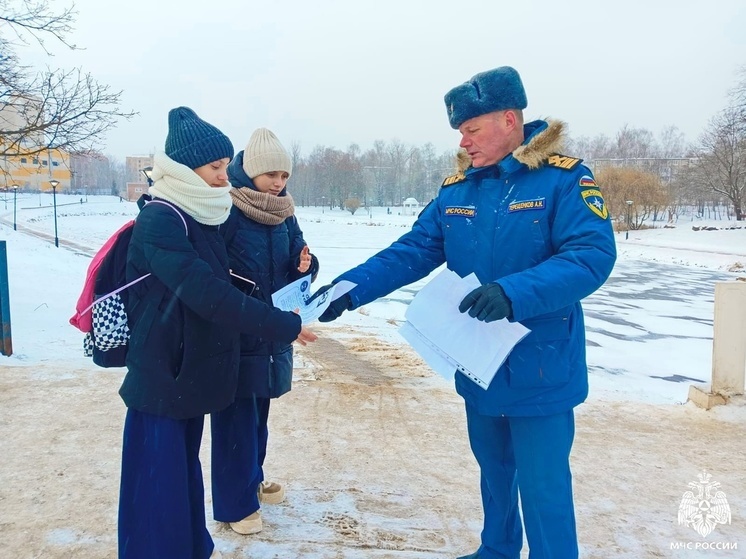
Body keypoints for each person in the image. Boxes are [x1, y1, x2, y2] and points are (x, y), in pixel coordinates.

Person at [312, 67, 616, 559]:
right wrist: (349, 290)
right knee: (494, 473)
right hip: (479, 361)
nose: (464, 141)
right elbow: (412, 249)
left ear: (509, 119)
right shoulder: (459, 190)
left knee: (544, 492)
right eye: (460, 131)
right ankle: (496, 550)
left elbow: (590, 256)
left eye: (472, 129)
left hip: (540, 366)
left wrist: (514, 293)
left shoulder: (564, 179)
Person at [117, 107, 317, 559]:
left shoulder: (202, 212)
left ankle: (188, 548)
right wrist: (284, 325)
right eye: (216, 167)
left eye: (227, 165)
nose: (226, 175)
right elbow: (207, 292)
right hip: (162, 371)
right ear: (187, 169)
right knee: (157, 484)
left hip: (190, 369)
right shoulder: (162, 218)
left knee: (181, 475)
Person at [210, 127, 320, 535]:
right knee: (234, 417)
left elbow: (298, 257)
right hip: (237, 329)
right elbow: (213, 270)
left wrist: (307, 264)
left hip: (273, 330)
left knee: (259, 412)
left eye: (285, 176)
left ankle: (252, 481)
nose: (279, 183)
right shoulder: (227, 209)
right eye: (271, 175)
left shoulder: (284, 212)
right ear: (250, 171)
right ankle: (233, 505)